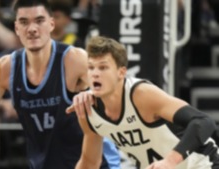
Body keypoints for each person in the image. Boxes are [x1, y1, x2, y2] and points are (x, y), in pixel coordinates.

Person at [0, 1, 120, 169]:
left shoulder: (74, 60)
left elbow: (117, 94)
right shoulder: (6, 68)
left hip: (97, 164)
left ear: (51, 24)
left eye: (39, 21)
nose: (32, 28)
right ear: (17, 28)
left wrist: (95, 95)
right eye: (24, 22)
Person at [66, 36, 219, 169]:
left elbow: (204, 121)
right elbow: (90, 162)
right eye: (91, 68)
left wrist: (169, 162)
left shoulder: (141, 94)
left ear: (121, 72)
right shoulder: (87, 109)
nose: (95, 74)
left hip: (203, 164)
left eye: (103, 67)